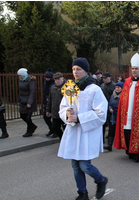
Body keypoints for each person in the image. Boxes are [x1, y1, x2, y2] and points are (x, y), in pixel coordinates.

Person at [58, 58, 108, 200]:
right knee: (75, 165)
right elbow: (62, 107)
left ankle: (100, 180)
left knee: (85, 165)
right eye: (73, 69)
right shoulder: (70, 87)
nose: (75, 72)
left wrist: (80, 118)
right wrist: (67, 114)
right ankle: (82, 193)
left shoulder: (94, 89)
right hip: (74, 131)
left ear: (86, 70)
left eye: (78, 69)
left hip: (87, 132)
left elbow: (101, 113)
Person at [114, 53, 139, 163]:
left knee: (138, 132)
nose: (134, 70)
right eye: (132, 68)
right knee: (127, 131)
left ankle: (138, 154)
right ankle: (129, 151)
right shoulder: (127, 81)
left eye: (136, 69)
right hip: (127, 112)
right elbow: (123, 98)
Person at [17, 68, 38, 137]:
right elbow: (21, 92)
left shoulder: (30, 80)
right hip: (23, 100)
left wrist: (29, 102)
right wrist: (19, 100)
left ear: (23, 75)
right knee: (22, 115)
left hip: (29, 101)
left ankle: (29, 131)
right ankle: (33, 126)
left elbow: (32, 91)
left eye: (20, 75)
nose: (19, 77)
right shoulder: (22, 81)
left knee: (28, 117)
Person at [104, 81, 124, 151]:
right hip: (113, 116)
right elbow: (109, 103)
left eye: (119, 87)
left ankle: (123, 145)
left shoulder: (124, 95)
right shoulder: (113, 95)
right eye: (116, 87)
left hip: (121, 116)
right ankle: (109, 145)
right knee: (111, 130)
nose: (117, 89)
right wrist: (110, 109)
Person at [46, 72, 66, 139]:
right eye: (55, 79)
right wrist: (48, 110)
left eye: (58, 79)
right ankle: (62, 138)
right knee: (55, 127)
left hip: (64, 113)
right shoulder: (53, 88)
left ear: (62, 79)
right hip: (55, 112)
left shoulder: (67, 87)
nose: (57, 81)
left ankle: (66, 141)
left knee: (66, 129)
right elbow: (50, 99)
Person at [43, 68, 55, 137]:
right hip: (47, 101)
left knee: (54, 118)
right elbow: (45, 93)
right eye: (46, 77)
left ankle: (55, 131)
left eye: (48, 78)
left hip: (52, 102)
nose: (47, 79)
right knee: (45, 117)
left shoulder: (53, 84)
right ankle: (51, 129)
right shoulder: (46, 83)